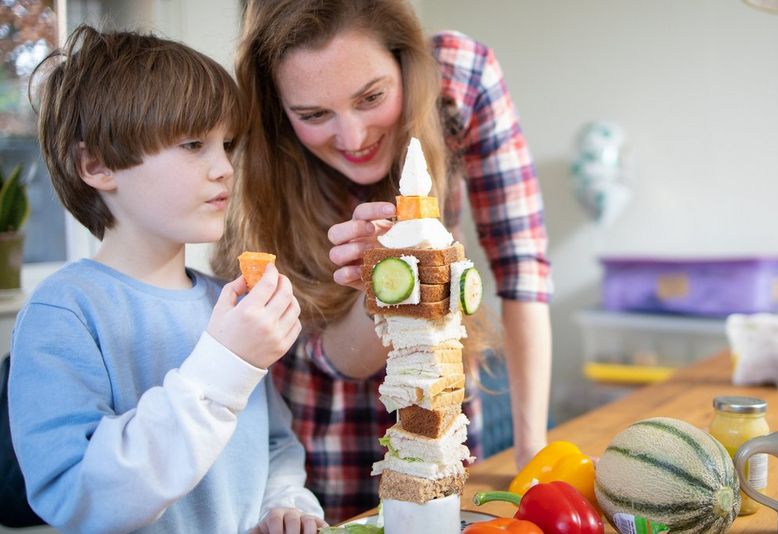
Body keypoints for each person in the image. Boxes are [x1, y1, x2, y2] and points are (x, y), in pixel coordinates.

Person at [213, 0, 553, 523]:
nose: (352, 139)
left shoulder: (461, 78)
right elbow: (329, 358)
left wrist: (533, 450)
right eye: (313, 115)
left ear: (405, 64)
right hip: (318, 450)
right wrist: (385, 293)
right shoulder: (256, 151)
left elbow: (522, 266)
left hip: (441, 418)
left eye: (371, 97)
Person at [9, 25, 326, 534]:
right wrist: (227, 364)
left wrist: (284, 501)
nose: (224, 167)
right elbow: (76, 496)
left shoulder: (223, 302)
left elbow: (273, 444)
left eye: (227, 144)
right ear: (96, 164)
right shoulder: (65, 314)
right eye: (194, 143)